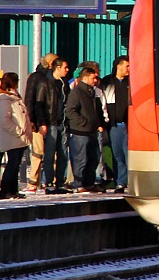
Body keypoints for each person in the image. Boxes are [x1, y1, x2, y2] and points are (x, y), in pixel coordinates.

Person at [65, 61, 106, 193]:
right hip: (80, 132)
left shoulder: (92, 92)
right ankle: (79, 184)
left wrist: (97, 123)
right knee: (80, 159)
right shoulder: (77, 92)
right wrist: (83, 122)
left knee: (92, 159)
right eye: (94, 78)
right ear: (86, 77)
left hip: (91, 131)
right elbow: (70, 111)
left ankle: (89, 183)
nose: (96, 80)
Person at [0, 72, 30, 199]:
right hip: (13, 136)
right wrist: (19, 131)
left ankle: (12, 190)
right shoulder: (4, 99)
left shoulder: (13, 97)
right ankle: (5, 190)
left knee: (15, 163)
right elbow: (5, 120)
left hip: (18, 137)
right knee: (12, 164)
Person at [23, 53, 57, 193]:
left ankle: (49, 181)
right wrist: (31, 120)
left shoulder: (52, 78)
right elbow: (30, 99)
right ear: (50, 63)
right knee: (38, 152)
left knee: (52, 153)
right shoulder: (37, 77)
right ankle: (33, 181)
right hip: (38, 121)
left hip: (51, 121)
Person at [100, 56, 130, 194]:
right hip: (114, 126)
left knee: (128, 154)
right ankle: (120, 182)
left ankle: (130, 181)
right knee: (117, 155)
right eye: (127, 66)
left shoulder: (132, 82)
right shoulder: (107, 82)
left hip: (129, 125)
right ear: (119, 66)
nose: (129, 69)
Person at [42, 58, 72, 194]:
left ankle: (60, 182)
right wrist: (42, 123)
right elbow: (40, 104)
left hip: (63, 124)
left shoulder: (64, 84)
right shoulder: (45, 83)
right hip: (51, 123)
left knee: (63, 154)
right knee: (49, 155)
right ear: (57, 68)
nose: (67, 70)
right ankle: (48, 182)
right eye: (65, 67)